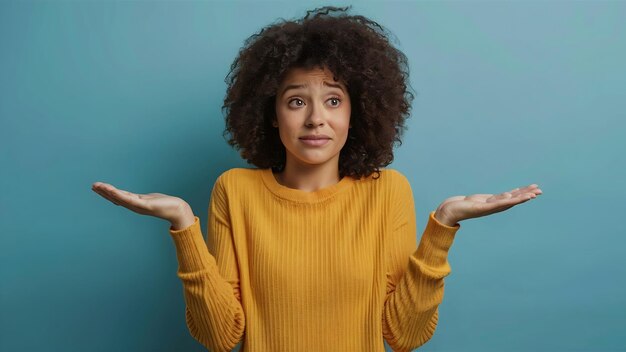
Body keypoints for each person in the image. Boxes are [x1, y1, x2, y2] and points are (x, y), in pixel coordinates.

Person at [91, 6, 542, 352]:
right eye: (295, 102)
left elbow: (404, 336)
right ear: (270, 115)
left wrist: (443, 225)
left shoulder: (387, 192)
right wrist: (183, 225)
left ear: (356, 111)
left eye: (332, 101)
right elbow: (220, 336)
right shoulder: (236, 190)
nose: (315, 120)